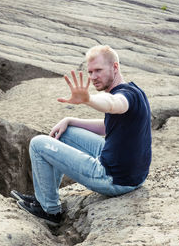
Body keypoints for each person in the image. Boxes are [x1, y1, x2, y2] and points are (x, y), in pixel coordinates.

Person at [11, 45, 151, 226]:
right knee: (63, 132)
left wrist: (89, 100)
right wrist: (70, 119)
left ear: (115, 67)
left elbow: (113, 104)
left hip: (114, 178)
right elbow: (109, 128)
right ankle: (44, 198)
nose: (93, 77)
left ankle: (49, 211)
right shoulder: (135, 90)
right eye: (90, 72)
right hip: (132, 174)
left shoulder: (125, 96)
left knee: (38, 144)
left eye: (98, 70)